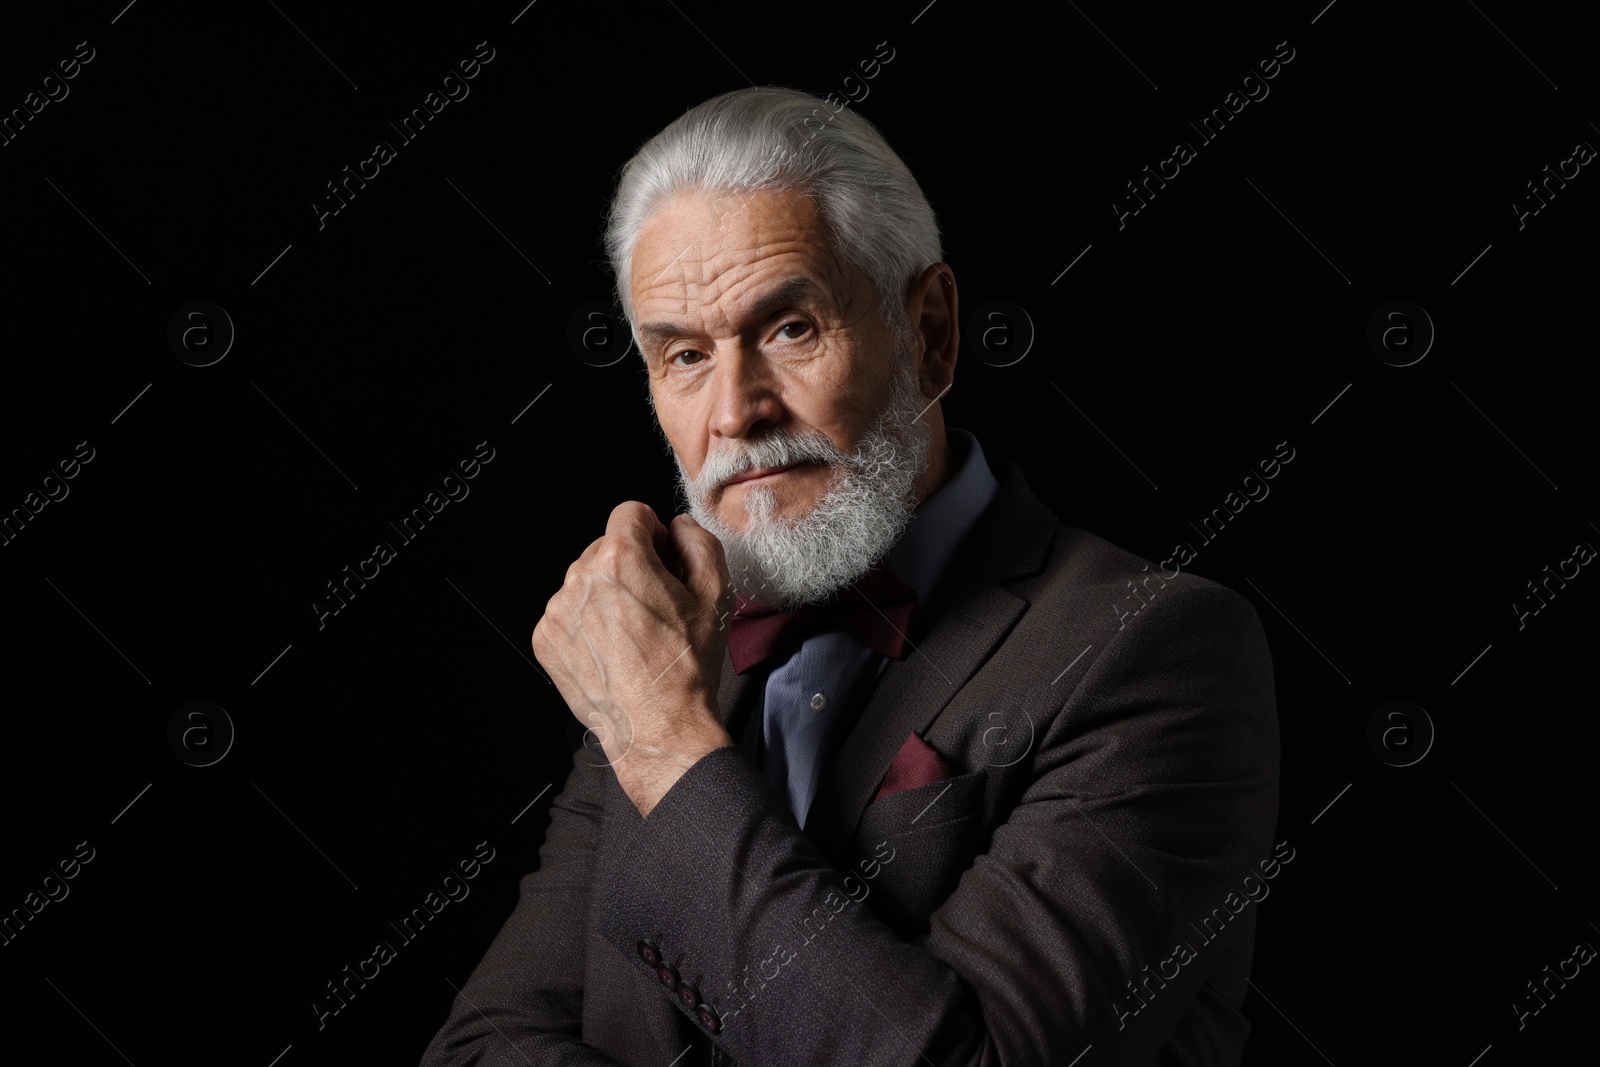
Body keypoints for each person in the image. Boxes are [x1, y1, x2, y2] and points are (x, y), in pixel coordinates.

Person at [418, 85, 1280, 1067]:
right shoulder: (669, 650)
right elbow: (482, 1046)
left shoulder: (1155, 647)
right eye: (687, 354)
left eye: (789, 328)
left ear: (932, 333)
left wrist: (662, 744)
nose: (736, 412)